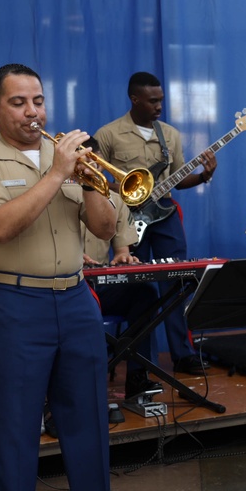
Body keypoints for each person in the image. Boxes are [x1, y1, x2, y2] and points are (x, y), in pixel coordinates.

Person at [0, 63, 137, 491]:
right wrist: (57, 173)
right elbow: (2, 227)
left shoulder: (71, 159)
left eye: (37, 100)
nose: (32, 112)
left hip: (76, 299)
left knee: (88, 420)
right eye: (18, 102)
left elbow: (102, 228)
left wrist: (93, 180)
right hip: (15, 302)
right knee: (13, 429)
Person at [94, 71, 216, 376]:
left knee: (176, 282)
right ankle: (140, 362)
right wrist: (123, 195)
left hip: (164, 216)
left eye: (161, 100)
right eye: (152, 101)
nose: (159, 106)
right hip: (128, 218)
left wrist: (203, 176)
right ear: (135, 99)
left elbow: (177, 177)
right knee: (139, 286)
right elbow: (94, 179)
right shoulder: (108, 134)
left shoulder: (170, 135)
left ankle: (183, 355)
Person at [79, 137, 161, 401]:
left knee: (145, 294)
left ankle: (137, 378)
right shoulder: (56, 195)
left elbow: (122, 250)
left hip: (99, 287)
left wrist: (123, 258)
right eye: (84, 160)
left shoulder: (115, 199)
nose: (92, 166)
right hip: (69, 287)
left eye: (96, 161)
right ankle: (84, 383)